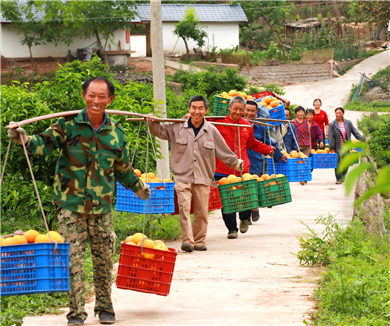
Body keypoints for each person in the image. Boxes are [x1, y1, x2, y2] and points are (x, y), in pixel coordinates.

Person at [7, 77, 151, 326]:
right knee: (72, 260)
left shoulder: (115, 132)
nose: (96, 101)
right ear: (84, 96)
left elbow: (123, 168)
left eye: (102, 96)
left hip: (102, 208)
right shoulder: (68, 125)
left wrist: (139, 188)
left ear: (110, 99)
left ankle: (105, 307)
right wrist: (24, 140)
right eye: (92, 95)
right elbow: (44, 143)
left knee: (104, 258)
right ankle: (76, 313)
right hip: (70, 206)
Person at [148, 96, 242, 252]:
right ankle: (187, 241)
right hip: (182, 176)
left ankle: (199, 240)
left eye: (200, 108)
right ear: (189, 109)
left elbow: (223, 150)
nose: (196, 111)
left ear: (205, 111)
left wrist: (235, 162)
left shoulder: (211, 130)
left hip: (203, 177)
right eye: (193, 108)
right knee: (184, 208)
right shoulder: (177, 127)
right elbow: (160, 131)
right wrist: (152, 122)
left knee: (201, 211)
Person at [211, 96, 275, 239]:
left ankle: (245, 217)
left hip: (242, 168)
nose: (238, 112)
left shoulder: (247, 126)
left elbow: (252, 143)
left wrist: (267, 149)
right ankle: (232, 229)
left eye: (241, 109)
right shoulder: (218, 124)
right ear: (229, 107)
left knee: (246, 196)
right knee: (227, 201)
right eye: (235, 109)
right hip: (223, 168)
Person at [244, 100, 286, 223]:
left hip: (255, 162)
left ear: (257, 112)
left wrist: (278, 155)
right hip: (240, 162)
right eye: (247, 110)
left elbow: (269, 143)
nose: (250, 113)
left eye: (253, 111)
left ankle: (254, 209)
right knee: (244, 188)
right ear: (243, 111)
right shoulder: (236, 125)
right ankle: (246, 215)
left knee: (253, 187)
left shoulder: (261, 128)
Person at [328, 107, 366, 184]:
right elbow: (330, 137)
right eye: (337, 113)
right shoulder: (332, 124)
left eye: (340, 113)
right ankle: (338, 179)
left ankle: (343, 175)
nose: (338, 115)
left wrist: (362, 139)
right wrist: (332, 148)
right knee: (337, 164)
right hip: (337, 146)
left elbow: (355, 132)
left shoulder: (348, 123)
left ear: (343, 114)